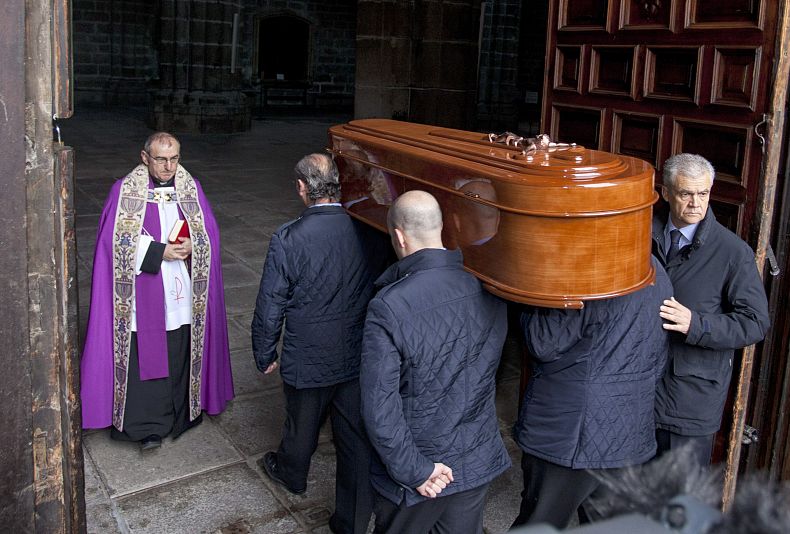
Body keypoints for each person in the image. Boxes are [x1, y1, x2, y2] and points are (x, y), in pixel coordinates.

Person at [251, 153, 391, 534]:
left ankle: (292, 475)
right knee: (356, 440)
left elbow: (271, 303)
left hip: (307, 355)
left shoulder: (289, 237)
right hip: (356, 351)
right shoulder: (367, 229)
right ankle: (351, 520)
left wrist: (264, 352)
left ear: (301, 188)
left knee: (301, 427)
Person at [360, 190, 510, 534]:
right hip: (473, 459)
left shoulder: (389, 306)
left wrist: (417, 471)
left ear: (398, 235)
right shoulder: (488, 287)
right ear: (441, 228)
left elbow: (379, 408)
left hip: (420, 468)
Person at [80, 132, 233, 451]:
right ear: (144, 157)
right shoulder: (124, 192)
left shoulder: (190, 187)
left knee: (179, 348)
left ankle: (182, 414)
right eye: (161, 159)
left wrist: (196, 244)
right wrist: (158, 253)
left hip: (180, 288)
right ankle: (145, 425)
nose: (168, 167)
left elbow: (209, 233)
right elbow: (113, 242)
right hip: (142, 290)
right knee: (146, 356)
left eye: (174, 159)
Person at [512, 258, 673, 529]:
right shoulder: (655, 269)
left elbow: (543, 342)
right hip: (628, 433)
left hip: (572, 433)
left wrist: (532, 298)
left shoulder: (587, 271)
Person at [653, 153, 770, 465]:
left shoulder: (733, 252)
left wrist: (696, 324)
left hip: (691, 400)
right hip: (639, 391)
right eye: (686, 193)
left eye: (703, 193)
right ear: (666, 193)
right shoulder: (642, 234)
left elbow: (755, 322)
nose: (696, 203)